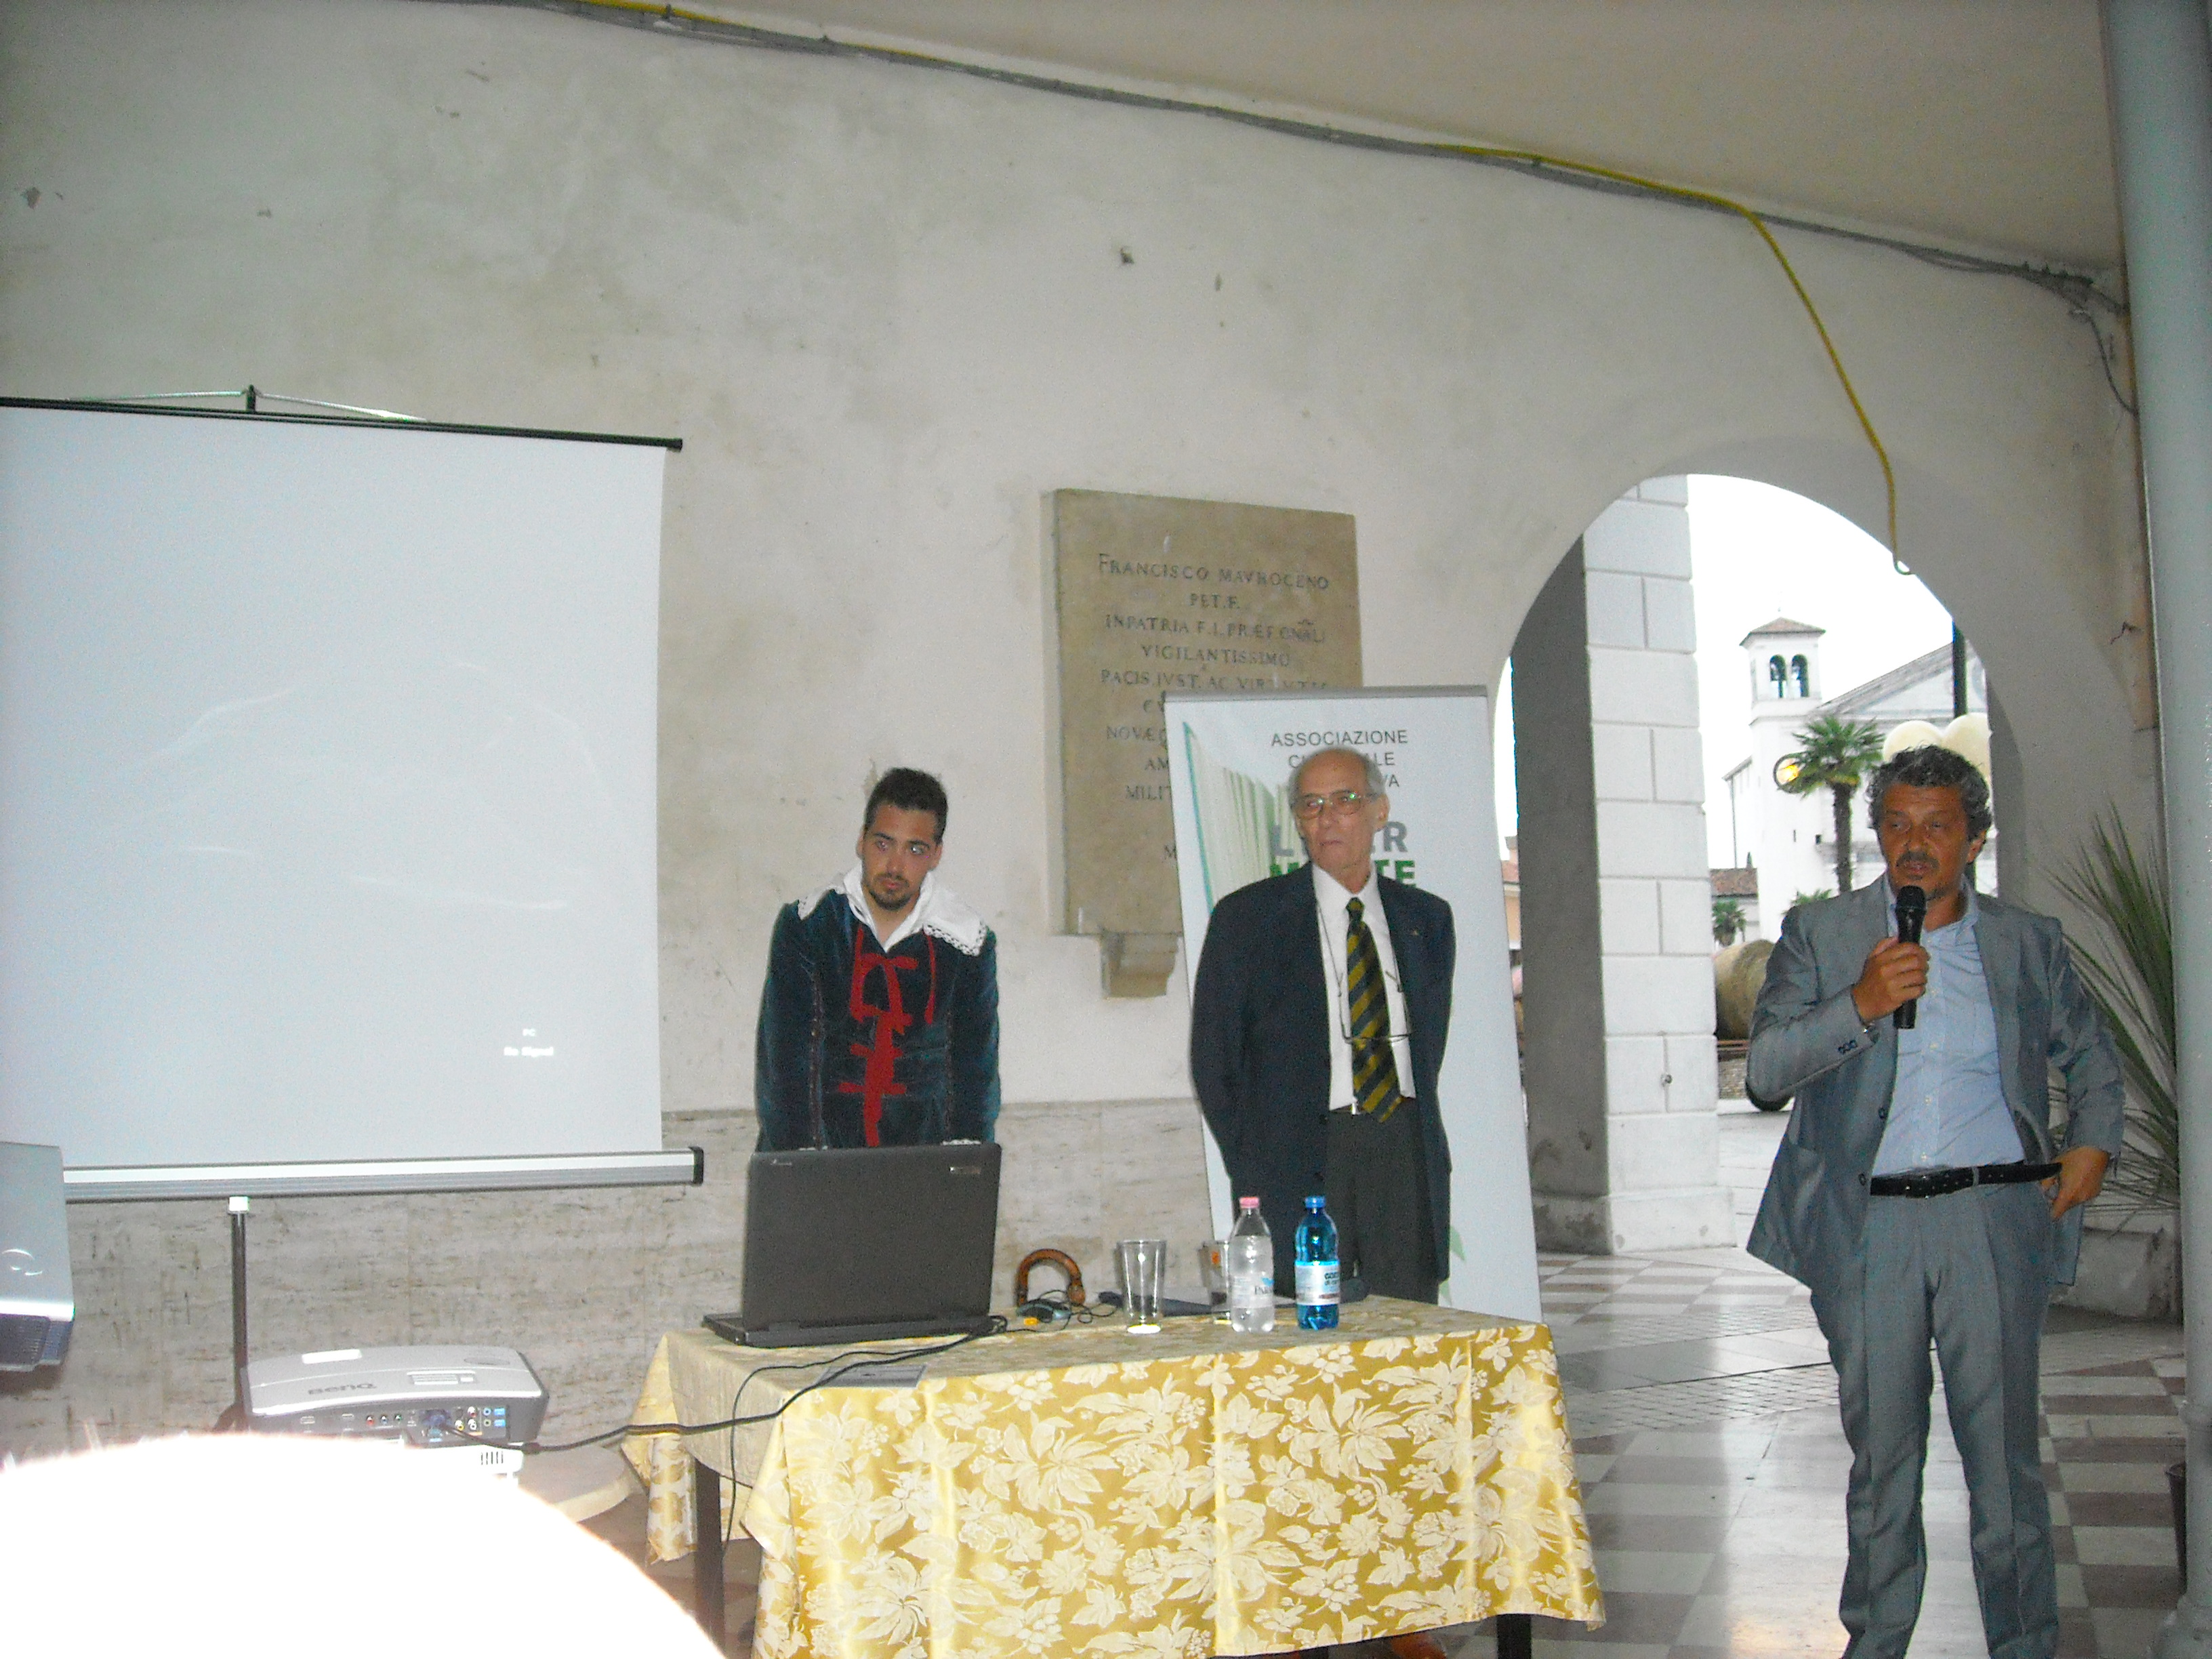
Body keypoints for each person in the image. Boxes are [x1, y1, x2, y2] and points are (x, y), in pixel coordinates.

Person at [1746, 743, 2123, 1659]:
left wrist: (2093, 1144)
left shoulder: (2026, 941)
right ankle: (1876, 1644)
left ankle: (2024, 1644)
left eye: (1938, 826)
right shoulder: (1822, 934)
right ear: (1879, 833)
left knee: (2004, 1465)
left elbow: (2092, 1056)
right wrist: (1861, 1004)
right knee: (1884, 1463)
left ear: (1974, 839)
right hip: (1868, 1228)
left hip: (1990, 1219)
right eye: (1897, 825)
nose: (1914, 844)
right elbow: (1764, 1072)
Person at [1189, 745, 1456, 1305]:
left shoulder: (1426, 919)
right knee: (1309, 1326)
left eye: (1345, 800)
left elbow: (1430, 1046)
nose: (1327, 818)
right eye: (1311, 805)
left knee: (1406, 1322)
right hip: (1298, 1156)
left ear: (1380, 811)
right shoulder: (1247, 919)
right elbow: (1215, 1061)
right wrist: (1254, 1161)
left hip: (1402, 1148)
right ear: (1298, 822)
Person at [754, 767, 999, 1149]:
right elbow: (784, 1063)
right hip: (820, 1154)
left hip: (922, 1161)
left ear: (936, 854)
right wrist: (802, 1163)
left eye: (915, 850)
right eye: (883, 844)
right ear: (861, 840)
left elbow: (974, 1073)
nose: (895, 867)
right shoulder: (809, 926)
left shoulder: (966, 942)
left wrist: (963, 1167)